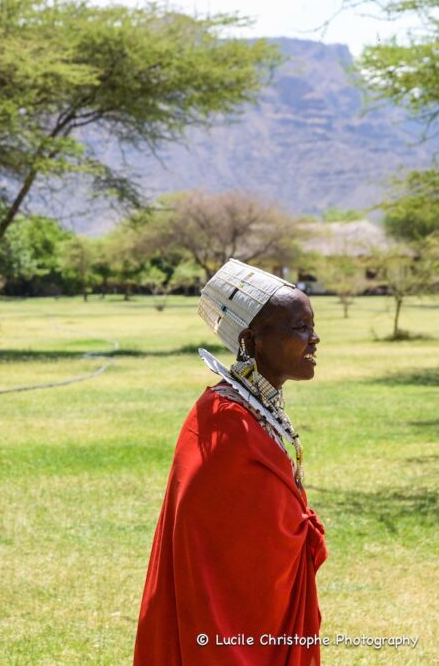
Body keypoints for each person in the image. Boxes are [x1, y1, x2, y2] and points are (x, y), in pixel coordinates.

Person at [134, 259, 328, 665]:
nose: (315, 339)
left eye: (311, 326)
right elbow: (214, 540)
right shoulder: (224, 419)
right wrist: (300, 528)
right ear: (251, 340)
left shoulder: (251, 407)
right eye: (300, 328)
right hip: (224, 619)